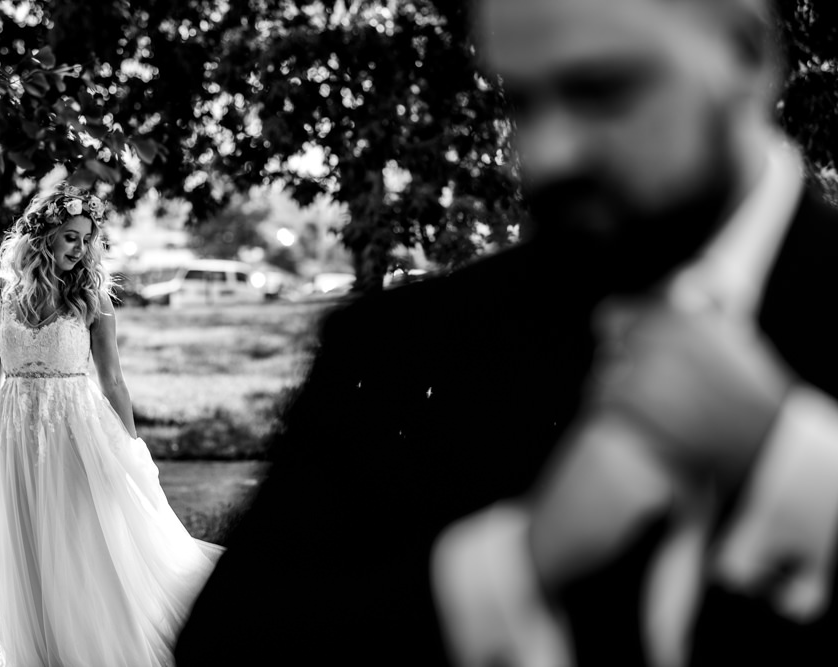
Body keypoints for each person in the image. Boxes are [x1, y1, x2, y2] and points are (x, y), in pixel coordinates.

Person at [176, 0, 838, 665]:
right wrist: (518, 562)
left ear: (749, 56)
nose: (546, 154)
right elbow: (230, 645)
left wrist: (788, 460)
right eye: (523, 101)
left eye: (601, 90)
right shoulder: (397, 349)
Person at [0, 182, 222, 667]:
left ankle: (91, 646)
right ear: (42, 234)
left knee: (79, 535)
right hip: (16, 428)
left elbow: (113, 379)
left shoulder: (92, 295)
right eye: (71, 236)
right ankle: (44, 652)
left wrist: (131, 446)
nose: (81, 248)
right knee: (29, 539)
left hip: (76, 428)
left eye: (87, 238)